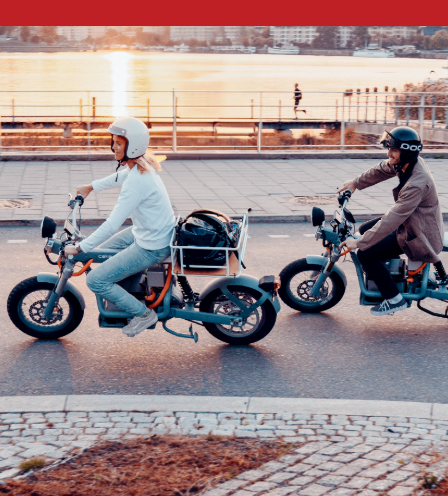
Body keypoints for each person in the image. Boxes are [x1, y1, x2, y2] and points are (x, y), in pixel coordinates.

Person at [64, 117, 175, 337]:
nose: (113, 146)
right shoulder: (141, 166)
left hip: (152, 246)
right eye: (113, 141)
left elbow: (112, 224)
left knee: (96, 279)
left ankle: (143, 314)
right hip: (148, 234)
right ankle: (128, 286)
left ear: (131, 146)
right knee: (100, 253)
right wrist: (90, 187)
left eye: (118, 143)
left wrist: (79, 248)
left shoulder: (137, 183)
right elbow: (119, 177)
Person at [338, 126, 444, 316]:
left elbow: (393, 218)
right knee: (364, 229)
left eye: (393, 150)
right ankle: (390, 274)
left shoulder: (417, 183)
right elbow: (382, 169)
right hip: (413, 223)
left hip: (419, 235)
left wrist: (360, 243)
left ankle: (394, 299)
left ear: (406, 152)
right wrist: (356, 183)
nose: (389, 154)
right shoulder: (406, 163)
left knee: (365, 254)